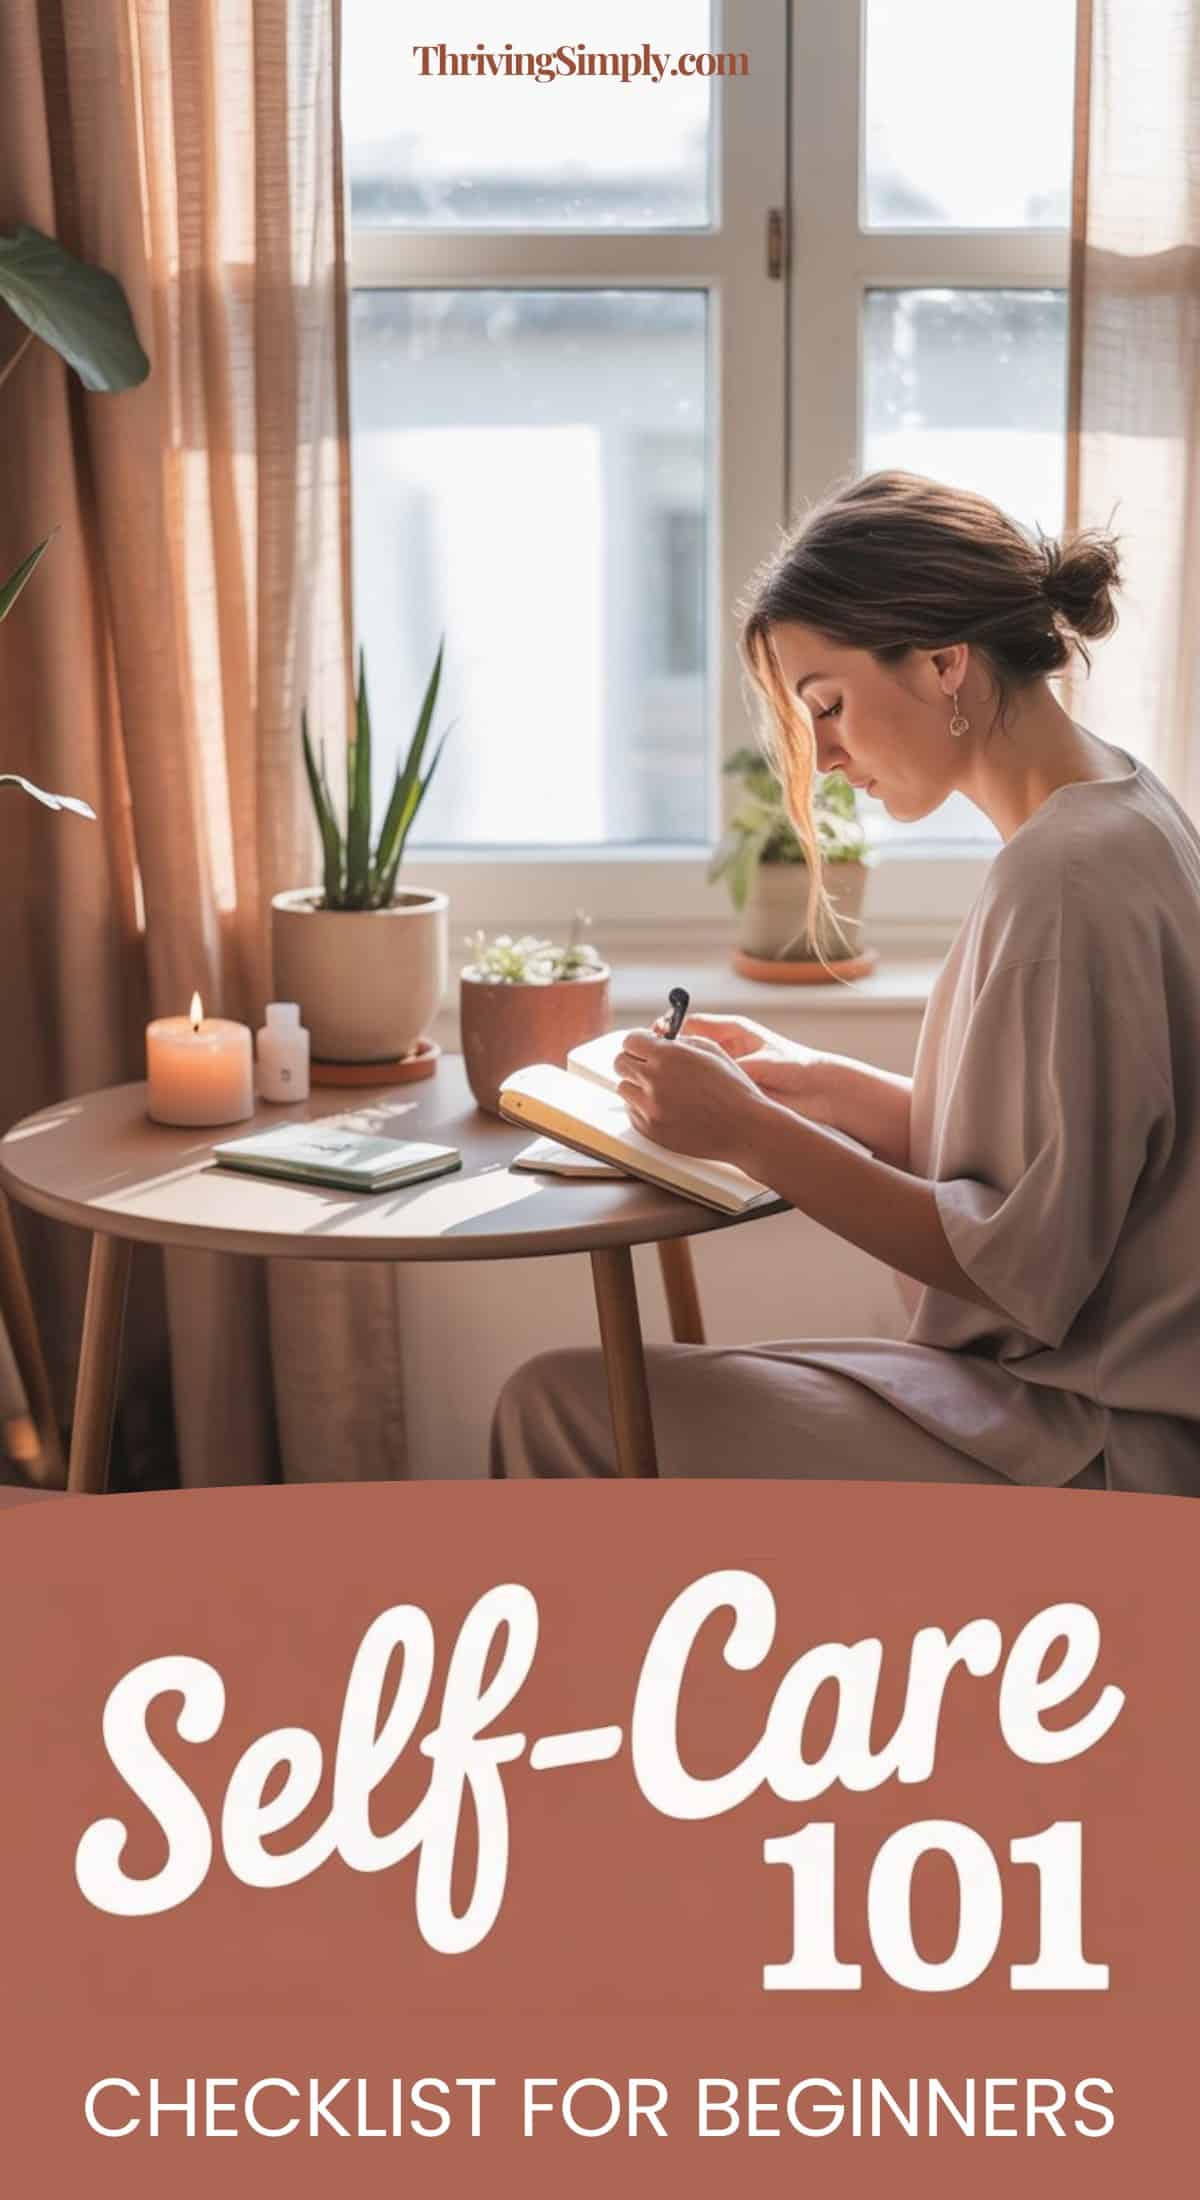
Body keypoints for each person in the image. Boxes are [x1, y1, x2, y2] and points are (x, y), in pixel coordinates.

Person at [490, 471, 1200, 1496]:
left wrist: (752, 1132)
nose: (821, 758)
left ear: (944, 662)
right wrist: (809, 1078)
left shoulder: (1064, 876)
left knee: (561, 1406)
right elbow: (1058, 1168)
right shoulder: (1120, 810)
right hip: (1089, 1403)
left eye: (827, 705)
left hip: (1094, 1440)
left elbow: (1022, 1267)